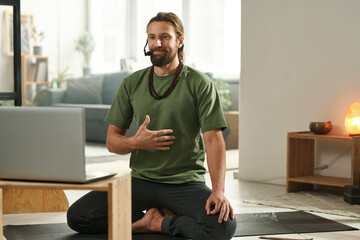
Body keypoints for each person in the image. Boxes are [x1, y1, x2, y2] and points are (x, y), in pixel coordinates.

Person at [67, 12, 237, 240]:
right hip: (140, 182)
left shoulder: (199, 83)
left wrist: (218, 191)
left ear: (180, 40)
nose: (157, 43)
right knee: (77, 216)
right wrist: (136, 142)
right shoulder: (131, 83)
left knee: (222, 227)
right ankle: (148, 222)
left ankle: (158, 223)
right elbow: (112, 142)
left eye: (165, 37)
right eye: (152, 37)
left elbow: (214, 140)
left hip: (184, 183)